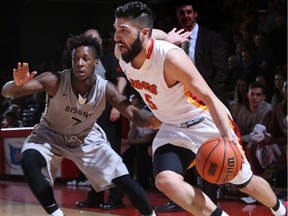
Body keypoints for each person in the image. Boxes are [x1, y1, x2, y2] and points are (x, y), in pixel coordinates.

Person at [112, 1, 287, 216]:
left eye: (123, 31)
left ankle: (280, 210)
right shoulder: (122, 51)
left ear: (143, 34)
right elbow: (152, 32)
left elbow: (211, 98)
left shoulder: (171, 59)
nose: (116, 36)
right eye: (116, 29)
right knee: (165, 181)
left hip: (204, 121)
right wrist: (168, 36)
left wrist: (227, 139)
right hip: (173, 128)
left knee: (245, 183)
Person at [1, 34, 159, 216]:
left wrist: (150, 120)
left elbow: (131, 112)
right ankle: (56, 213)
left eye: (85, 59)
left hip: (85, 138)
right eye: (75, 59)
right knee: (28, 158)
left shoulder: (105, 88)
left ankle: (150, 215)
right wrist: (16, 84)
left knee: (125, 181)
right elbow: (8, 93)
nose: (80, 63)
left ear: (96, 63)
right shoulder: (55, 80)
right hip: (50, 135)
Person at [157, 0, 231, 211]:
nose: (186, 16)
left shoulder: (211, 38)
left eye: (189, 12)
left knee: (211, 154)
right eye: (182, 13)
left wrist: (207, 100)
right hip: (180, 105)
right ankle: (181, 199)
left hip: (208, 104)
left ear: (196, 14)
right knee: (180, 149)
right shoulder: (171, 42)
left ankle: (210, 203)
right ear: (178, 16)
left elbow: (221, 72)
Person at [75, 28, 128, 210]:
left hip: (107, 111)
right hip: (89, 114)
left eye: (95, 39)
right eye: (89, 39)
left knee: (111, 155)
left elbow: (121, 80)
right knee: (92, 156)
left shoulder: (110, 58)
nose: (92, 42)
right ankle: (95, 195)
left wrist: (117, 105)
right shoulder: (83, 61)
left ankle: (116, 197)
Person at [121, 93, 157, 189]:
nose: (135, 108)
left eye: (136, 105)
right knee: (127, 152)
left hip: (152, 142)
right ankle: (129, 181)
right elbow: (131, 137)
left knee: (142, 149)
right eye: (132, 106)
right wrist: (132, 129)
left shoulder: (146, 116)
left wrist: (128, 142)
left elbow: (147, 138)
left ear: (141, 105)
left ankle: (145, 183)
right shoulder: (133, 117)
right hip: (141, 141)